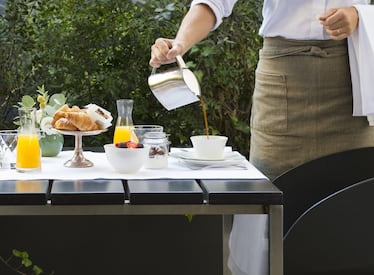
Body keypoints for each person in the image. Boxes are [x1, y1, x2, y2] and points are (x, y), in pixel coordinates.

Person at [149, 1, 374, 275]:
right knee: (268, 202)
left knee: (353, 205)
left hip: (356, 76)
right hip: (283, 78)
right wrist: (180, 43)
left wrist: (358, 15)